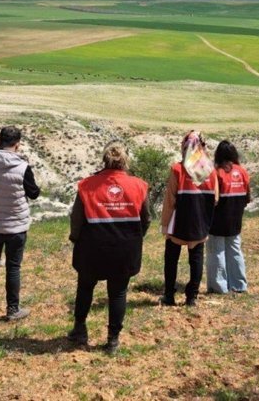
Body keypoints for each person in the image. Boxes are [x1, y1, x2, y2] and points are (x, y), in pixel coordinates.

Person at [67, 141, 150, 354]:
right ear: (125, 162)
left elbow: (77, 218)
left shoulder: (86, 185)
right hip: (125, 248)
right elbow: (146, 219)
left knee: (85, 287)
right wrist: (136, 238)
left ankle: (80, 329)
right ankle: (113, 340)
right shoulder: (139, 185)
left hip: (92, 247)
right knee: (118, 292)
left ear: (104, 160)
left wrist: (75, 238)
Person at [0, 126, 40, 320]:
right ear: (17, 144)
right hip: (15, 225)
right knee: (13, 266)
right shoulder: (22, 167)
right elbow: (34, 194)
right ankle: (12, 309)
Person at [161, 131, 218, 307]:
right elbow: (215, 198)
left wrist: (164, 223)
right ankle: (191, 297)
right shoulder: (210, 171)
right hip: (200, 221)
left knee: (171, 258)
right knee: (196, 258)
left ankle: (169, 295)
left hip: (179, 221)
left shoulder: (177, 169)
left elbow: (170, 199)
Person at [206, 140, 250, 294]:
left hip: (218, 220)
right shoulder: (242, 171)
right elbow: (248, 197)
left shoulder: (216, 172)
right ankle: (239, 284)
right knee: (235, 250)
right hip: (236, 218)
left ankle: (219, 286)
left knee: (216, 252)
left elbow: (212, 198)